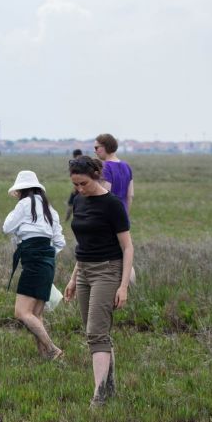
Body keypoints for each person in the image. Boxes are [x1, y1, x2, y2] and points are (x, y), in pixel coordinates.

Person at [64, 156, 134, 407]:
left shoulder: (112, 204)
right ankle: (110, 389)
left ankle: (99, 397)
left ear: (96, 175)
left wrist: (123, 286)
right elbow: (84, 244)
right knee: (95, 333)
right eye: (75, 185)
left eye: (83, 183)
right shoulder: (80, 201)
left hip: (108, 270)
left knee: (96, 333)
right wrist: (73, 279)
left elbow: (127, 247)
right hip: (83, 271)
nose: (80, 189)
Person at [3, 170, 66, 360]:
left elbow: (6, 227)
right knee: (36, 314)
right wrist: (46, 255)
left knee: (22, 312)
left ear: (21, 190)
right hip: (47, 259)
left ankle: (52, 349)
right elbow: (59, 242)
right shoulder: (50, 209)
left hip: (33, 259)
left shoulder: (24, 204)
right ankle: (44, 355)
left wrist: (32, 249)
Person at [94, 134, 133, 216]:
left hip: (108, 217)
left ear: (105, 147)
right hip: (122, 216)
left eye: (96, 147)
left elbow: (104, 196)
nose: (95, 151)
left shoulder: (105, 167)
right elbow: (130, 195)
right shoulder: (126, 166)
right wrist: (126, 217)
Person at [64, 149, 83, 222]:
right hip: (81, 187)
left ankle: (67, 220)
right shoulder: (85, 163)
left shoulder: (76, 164)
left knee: (71, 204)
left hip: (78, 188)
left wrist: (75, 187)